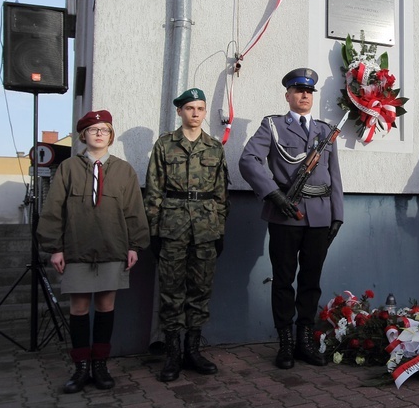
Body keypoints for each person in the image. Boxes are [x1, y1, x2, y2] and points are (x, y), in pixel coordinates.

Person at [37, 110, 150, 394]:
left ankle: (100, 365)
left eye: (104, 129)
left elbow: (134, 210)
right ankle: (80, 368)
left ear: (110, 136)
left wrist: (134, 245)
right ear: (83, 135)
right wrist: (55, 248)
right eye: (93, 129)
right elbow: (53, 209)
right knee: (78, 308)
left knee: (105, 306)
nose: (99, 134)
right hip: (77, 250)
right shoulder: (69, 168)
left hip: (113, 249)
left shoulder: (124, 170)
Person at [239, 67, 343, 369]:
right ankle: (285, 342)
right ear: (288, 95)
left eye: (309, 91)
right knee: (283, 280)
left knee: (311, 281)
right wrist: (273, 194)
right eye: (299, 90)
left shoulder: (325, 131)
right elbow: (249, 160)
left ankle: (304, 340)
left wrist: (338, 214)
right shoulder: (273, 126)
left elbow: (334, 175)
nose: (304, 95)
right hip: (286, 213)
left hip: (321, 215)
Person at [144, 88, 229, 382]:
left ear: (205, 113)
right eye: (190, 108)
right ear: (179, 111)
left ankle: (193, 350)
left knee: (200, 290)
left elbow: (220, 194)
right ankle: (173, 354)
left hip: (206, 227)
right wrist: (154, 231)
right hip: (172, 225)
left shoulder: (215, 148)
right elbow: (154, 190)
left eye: (200, 108)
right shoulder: (165, 145)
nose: (195, 113)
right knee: (170, 291)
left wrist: (219, 230)